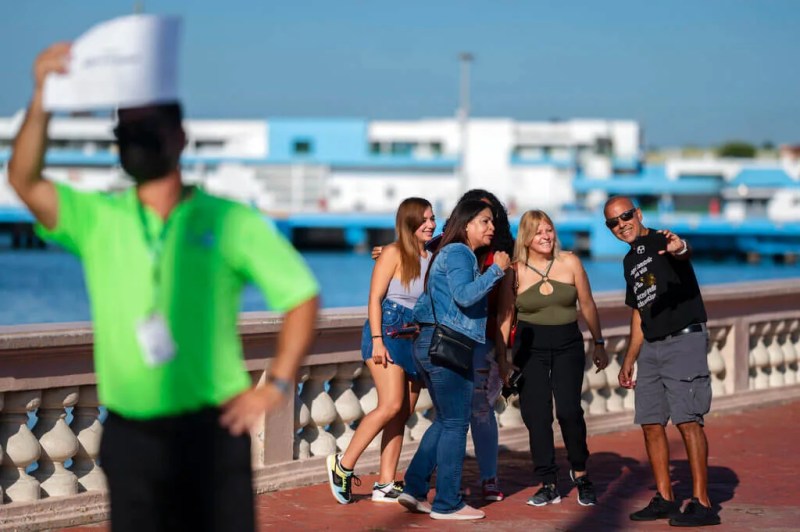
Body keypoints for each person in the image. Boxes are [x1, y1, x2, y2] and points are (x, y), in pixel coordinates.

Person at [9, 43, 319, 532]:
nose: (134, 140)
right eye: (124, 131)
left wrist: (278, 384)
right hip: (131, 433)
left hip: (214, 431)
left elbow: (301, 295)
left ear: (179, 136)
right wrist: (44, 94)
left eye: (145, 129)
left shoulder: (228, 220)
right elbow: (24, 179)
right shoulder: (99, 219)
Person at [371, 188, 514, 502]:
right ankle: (447, 501)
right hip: (449, 342)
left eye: (493, 219)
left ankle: (415, 486)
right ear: (466, 223)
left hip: (442, 341)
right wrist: (496, 271)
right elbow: (464, 295)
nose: (491, 226)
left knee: (451, 418)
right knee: (456, 421)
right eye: (484, 220)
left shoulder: (458, 250)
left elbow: (504, 307)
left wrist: (502, 353)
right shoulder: (459, 252)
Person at [603, 196, 720, 527]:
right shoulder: (629, 261)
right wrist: (629, 359)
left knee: (688, 420)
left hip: (684, 339)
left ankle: (702, 502)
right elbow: (639, 311)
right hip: (651, 347)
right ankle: (666, 498)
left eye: (626, 216)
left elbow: (683, 253)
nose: (621, 224)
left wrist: (679, 245)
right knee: (651, 423)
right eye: (612, 222)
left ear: (638, 214)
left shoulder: (662, 241)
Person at [326, 197, 436, 505]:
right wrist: (376, 339)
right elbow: (374, 298)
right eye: (424, 219)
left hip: (415, 333)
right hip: (387, 329)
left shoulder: (433, 254)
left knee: (402, 411)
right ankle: (342, 466)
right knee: (390, 405)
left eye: (432, 218)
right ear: (409, 222)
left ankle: (386, 483)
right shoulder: (392, 252)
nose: (430, 223)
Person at [499, 210, 608, 508]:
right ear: (526, 238)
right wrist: (503, 360)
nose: (545, 236)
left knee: (570, 413)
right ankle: (548, 482)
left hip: (567, 344)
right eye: (538, 232)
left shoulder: (570, 262)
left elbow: (587, 303)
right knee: (537, 416)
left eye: (548, 230)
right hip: (529, 347)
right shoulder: (514, 270)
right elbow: (507, 318)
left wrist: (599, 343)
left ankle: (581, 474)